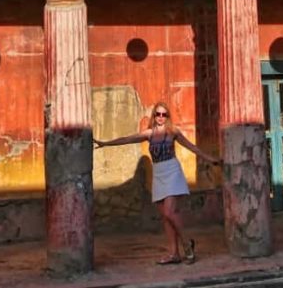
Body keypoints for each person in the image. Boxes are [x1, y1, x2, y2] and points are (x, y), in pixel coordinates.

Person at [94, 100, 221, 265]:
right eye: (158, 114)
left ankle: (187, 244)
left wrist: (211, 159)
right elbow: (127, 139)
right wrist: (105, 144)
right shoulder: (149, 134)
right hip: (159, 173)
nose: (161, 117)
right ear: (154, 115)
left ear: (167, 116)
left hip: (172, 171)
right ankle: (174, 253)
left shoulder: (173, 131)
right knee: (165, 217)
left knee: (170, 212)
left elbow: (192, 147)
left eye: (164, 114)